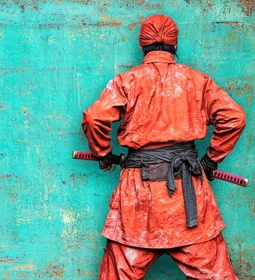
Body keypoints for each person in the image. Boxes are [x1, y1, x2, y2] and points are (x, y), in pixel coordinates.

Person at [81, 14, 246, 279]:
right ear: (174, 45)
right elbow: (235, 118)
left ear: (142, 45)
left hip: (139, 195)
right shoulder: (198, 81)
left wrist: (103, 154)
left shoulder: (126, 81)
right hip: (188, 190)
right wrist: (210, 161)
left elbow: (93, 118)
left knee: (118, 273)